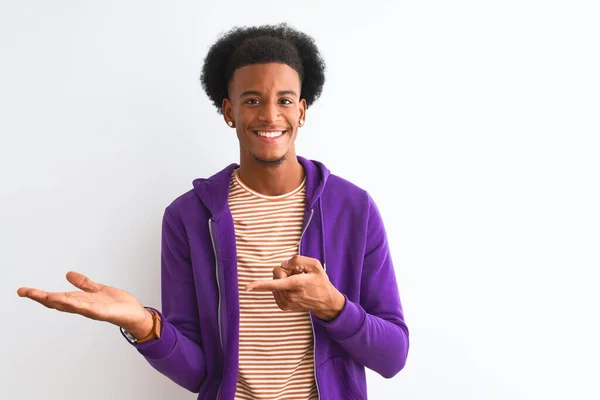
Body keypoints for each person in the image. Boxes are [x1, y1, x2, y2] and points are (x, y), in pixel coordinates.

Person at [17, 22, 409, 400]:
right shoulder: (188, 218)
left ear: (302, 110)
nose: (270, 115)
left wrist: (333, 305)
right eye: (252, 100)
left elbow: (393, 356)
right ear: (228, 111)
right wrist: (143, 325)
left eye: (285, 100)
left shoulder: (353, 209)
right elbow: (199, 374)